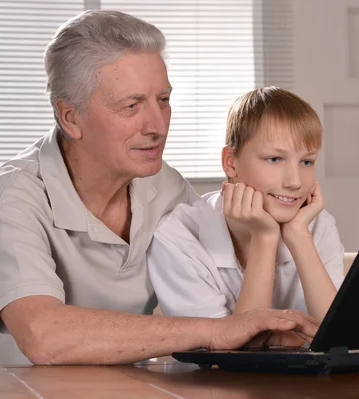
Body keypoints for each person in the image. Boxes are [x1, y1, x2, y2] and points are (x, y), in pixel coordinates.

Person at [0, 10, 318, 367]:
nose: (157, 125)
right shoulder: (8, 197)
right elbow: (43, 337)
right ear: (70, 117)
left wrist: (269, 331)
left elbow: (226, 306)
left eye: (163, 100)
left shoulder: (168, 188)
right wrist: (213, 332)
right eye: (131, 105)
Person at [147, 87, 345, 326]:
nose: (295, 182)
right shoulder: (177, 236)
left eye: (306, 161)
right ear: (230, 163)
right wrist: (264, 237)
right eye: (274, 159)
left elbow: (337, 336)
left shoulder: (315, 224)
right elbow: (227, 349)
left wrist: (298, 236)